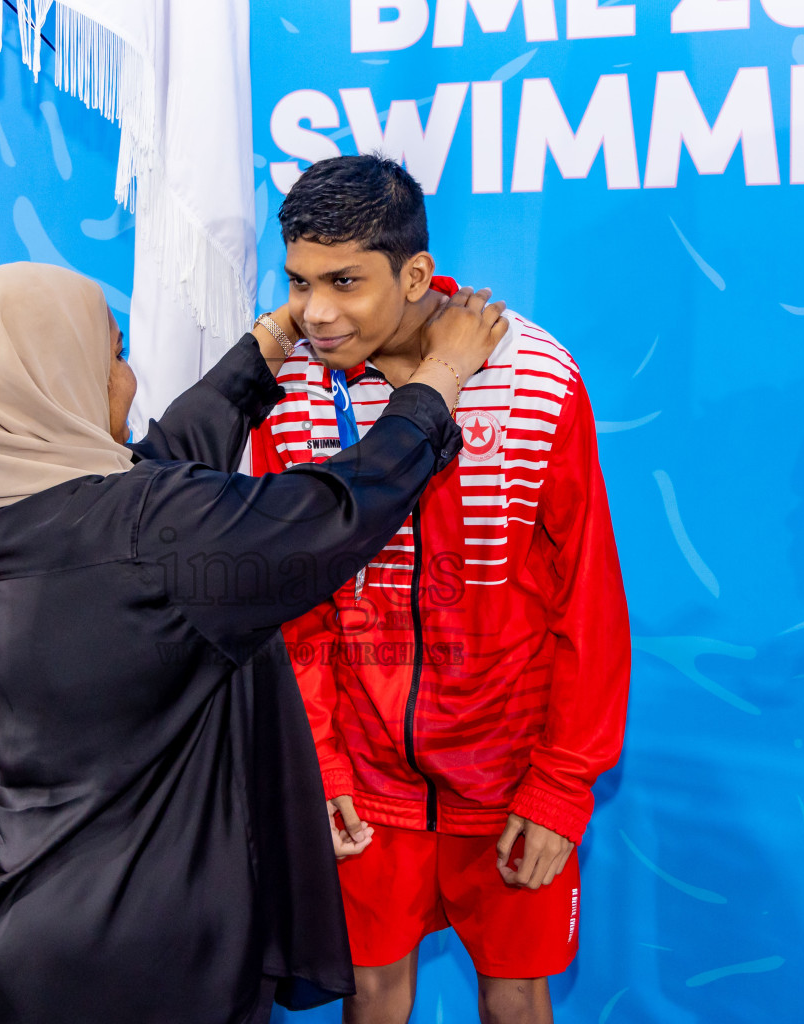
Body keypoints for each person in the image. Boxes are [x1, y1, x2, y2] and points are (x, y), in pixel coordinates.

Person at [0, 261, 506, 1024]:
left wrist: (274, 338)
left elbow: (160, 459)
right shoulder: (146, 530)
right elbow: (336, 509)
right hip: (151, 945)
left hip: (22, 918)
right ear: (46, 382)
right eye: (110, 355)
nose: (127, 379)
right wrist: (441, 377)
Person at [248, 155, 631, 1024]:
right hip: (364, 772)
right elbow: (291, 599)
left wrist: (560, 785)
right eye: (301, 282)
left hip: (510, 772)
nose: (315, 312)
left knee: (516, 994)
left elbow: (586, 601)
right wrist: (324, 759)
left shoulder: (537, 379)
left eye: (345, 282)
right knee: (372, 990)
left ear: (416, 273)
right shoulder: (290, 391)